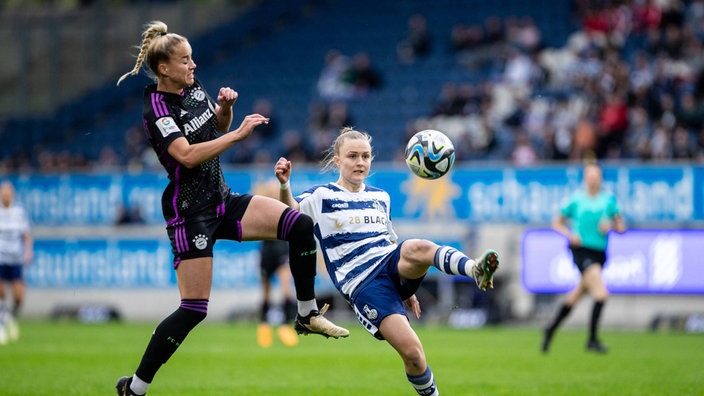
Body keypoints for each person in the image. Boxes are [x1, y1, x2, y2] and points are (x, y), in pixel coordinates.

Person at [115, 21, 348, 396]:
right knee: (194, 309)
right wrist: (237, 133)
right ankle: (136, 388)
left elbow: (212, 129)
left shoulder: (192, 88)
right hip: (189, 213)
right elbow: (187, 156)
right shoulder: (155, 108)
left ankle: (306, 313)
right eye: (186, 60)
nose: (194, 66)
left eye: (192, 59)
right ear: (164, 68)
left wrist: (224, 110)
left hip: (222, 199)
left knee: (300, 226)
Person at [274, 127, 500, 396]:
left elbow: (390, 242)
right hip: (365, 284)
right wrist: (285, 184)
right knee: (414, 353)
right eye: (353, 156)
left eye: (366, 156)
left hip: (391, 264)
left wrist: (406, 284)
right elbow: (291, 214)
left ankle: (474, 269)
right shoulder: (322, 196)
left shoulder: (380, 197)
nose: (360, 162)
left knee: (417, 246)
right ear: (337, 161)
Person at [541, 162, 626, 354]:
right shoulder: (576, 199)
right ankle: (592, 340)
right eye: (590, 175)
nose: (593, 179)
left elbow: (621, 228)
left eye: (596, 175)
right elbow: (556, 223)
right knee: (602, 293)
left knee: (575, 296)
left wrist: (611, 226)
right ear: (585, 178)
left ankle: (550, 329)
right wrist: (570, 235)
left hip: (599, 252)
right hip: (581, 250)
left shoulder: (609, 200)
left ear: (601, 178)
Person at [254, 180, 298, 348]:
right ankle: (264, 326)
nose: (274, 192)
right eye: (271, 190)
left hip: (282, 251)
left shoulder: (285, 208)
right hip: (267, 252)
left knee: (286, 285)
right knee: (266, 291)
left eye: (276, 190)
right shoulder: (261, 209)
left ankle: (285, 326)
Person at [0, 181, 33, 345]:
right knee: (0, 291)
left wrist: (28, 251)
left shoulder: (19, 212)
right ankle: (2, 323)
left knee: (18, 294)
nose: (5, 195)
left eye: (8, 192)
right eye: (3, 192)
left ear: (12, 194)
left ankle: (9, 316)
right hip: (0, 257)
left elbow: (26, 234)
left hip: (15, 258)